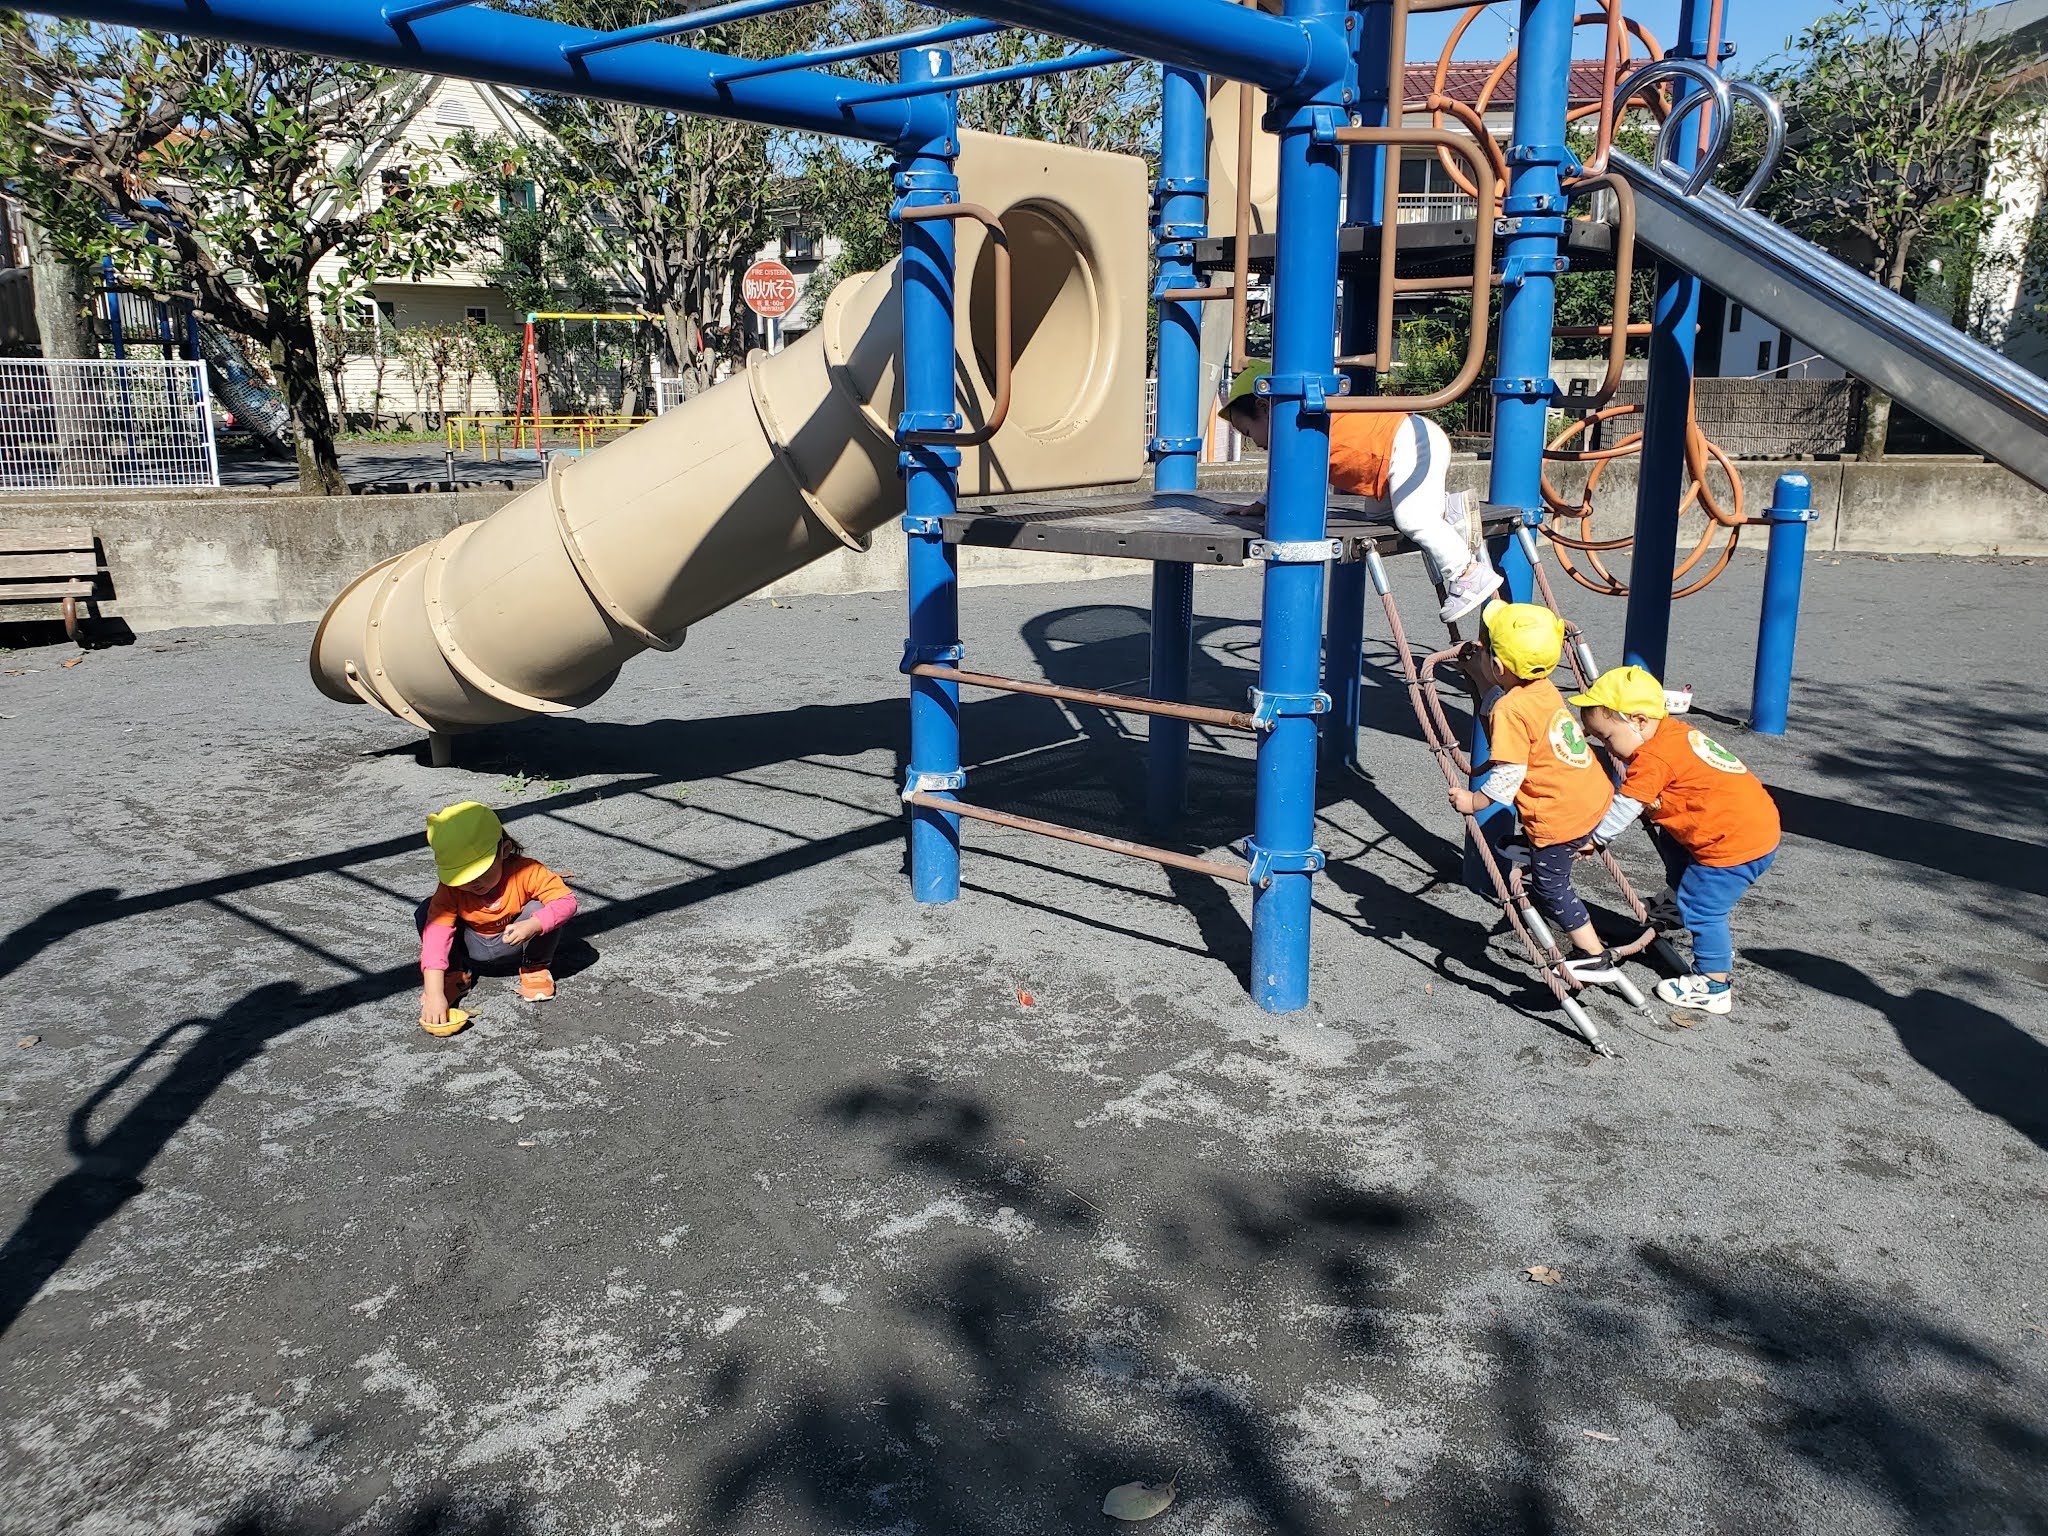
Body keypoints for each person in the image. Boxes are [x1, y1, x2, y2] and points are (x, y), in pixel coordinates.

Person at [1219, 359, 1502, 623]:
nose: (1253, 443)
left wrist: (1271, 508)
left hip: (1409, 442)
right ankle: (1448, 508)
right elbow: (1285, 475)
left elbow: (1292, 478)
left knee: (1413, 519)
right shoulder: (1301, 423)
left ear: (1265, 407)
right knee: (1378, 515)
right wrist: (1261, 505)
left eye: (1248, 432)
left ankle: (1467, 573)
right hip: (1400, 450)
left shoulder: (1302, 425)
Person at [1572, 665, 1781, 1015]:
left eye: (1606, 737)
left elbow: (1626, 805)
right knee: (1669, 837)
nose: (1605, 746)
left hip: (1732, 845)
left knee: (1704, 908)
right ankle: (1676, 897)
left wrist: (1594, 839)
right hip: (1749, 824)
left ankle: (1713, 984)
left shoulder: (1654, 758)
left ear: (1639, 721)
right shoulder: (1673, 734)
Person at [1447, 601, 1622, 982]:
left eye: (1487, 651)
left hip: (1561, 818)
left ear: (1498, 667)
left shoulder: (1509, 710)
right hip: (1593, 796)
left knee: (1550, 885)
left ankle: (1594, 955)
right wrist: (1478, 675)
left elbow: (1508, 775)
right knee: (1553, 826)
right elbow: (1504, 704)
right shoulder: (1543, 689)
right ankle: (1538, 846)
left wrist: (1473, 801)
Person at [417, 800, 578, 1032]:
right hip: (472, 945)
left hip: (515, 942)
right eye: (460, 877)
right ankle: (454, 975)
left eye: (479, 872)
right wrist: (434, 994)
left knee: (540, 907)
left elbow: (566, 901)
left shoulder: (526, 871)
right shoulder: (450, 890)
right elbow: (436, 938)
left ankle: (534, 967)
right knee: (429, 913)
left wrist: (534, 924)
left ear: (504, 850)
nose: (472, 883)